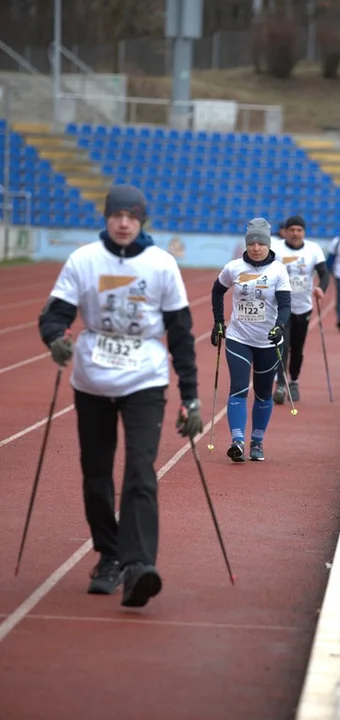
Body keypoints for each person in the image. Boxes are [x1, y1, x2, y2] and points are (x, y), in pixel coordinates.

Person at [38, 184, 203, 608]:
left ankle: (138, 566)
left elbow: (181, 334)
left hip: (144, 380)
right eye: (117, 216)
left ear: (141, 220)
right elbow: (55, 313)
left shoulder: (161, 265)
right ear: (107, 218)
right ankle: (109, 555)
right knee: (96, 475)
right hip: (92, 380)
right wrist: (55, 337)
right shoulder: (84, 260)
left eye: (131, 216)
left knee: (140, 471)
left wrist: (192, 396)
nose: (124, 223)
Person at [211, 218, 291, 463]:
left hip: (267, 341)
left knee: (264, 394)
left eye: (261, 243)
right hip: (238, 339)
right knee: (239, 388)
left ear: (268, 245)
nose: (256, 248)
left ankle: (257, 441)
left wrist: (280, 327)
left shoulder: (278, 269)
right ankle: (237, 441)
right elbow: (217, 290)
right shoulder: (234, 267)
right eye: (252, 243)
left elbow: (286, 305)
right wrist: (218, 322)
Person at [270, 215, 329, 404]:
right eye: (292, 230)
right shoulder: (276, 248)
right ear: (285, 232)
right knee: (282, 345)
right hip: (280, 307)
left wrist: (321, 288)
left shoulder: (313, 249)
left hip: (303, 307)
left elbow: (324, 273)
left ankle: (293, 380)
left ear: (304, 232)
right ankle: (280, 383)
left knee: (298, 349)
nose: (295, 233)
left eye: (299, 230)